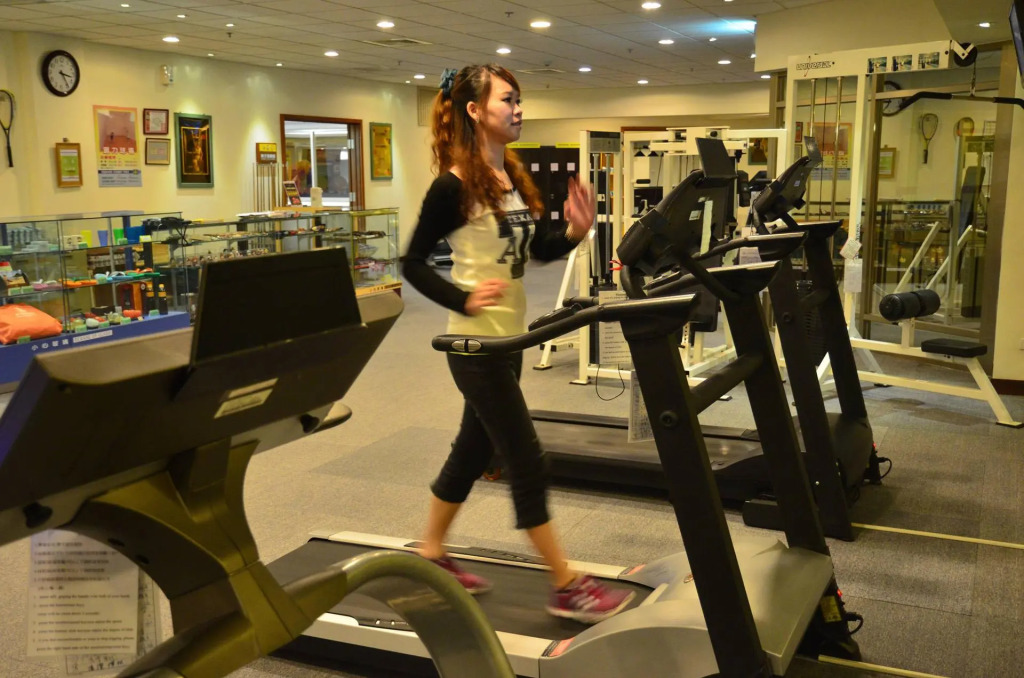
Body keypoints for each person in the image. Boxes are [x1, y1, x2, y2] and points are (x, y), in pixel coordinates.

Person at [402, 64, 635, 625]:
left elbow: (533, 252)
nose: (518, 108)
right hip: (475, 347)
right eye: (507, 100)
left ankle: (430, 549)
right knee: (526, 459)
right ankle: (566, 584)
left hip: (510, 341)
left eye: (519, 99)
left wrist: (575, 231)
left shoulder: (507, 175)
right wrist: (462, 299)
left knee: (472, 450)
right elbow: (411, 262)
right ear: (475, 110)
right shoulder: (452, 186)